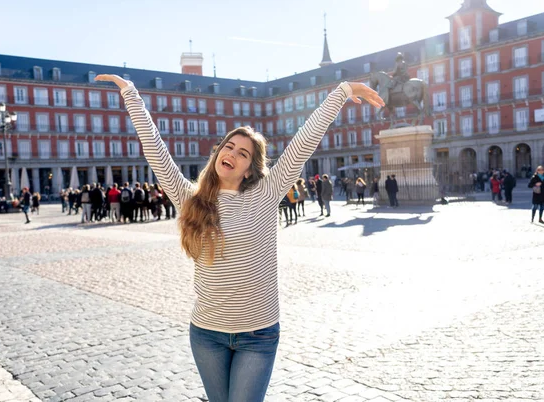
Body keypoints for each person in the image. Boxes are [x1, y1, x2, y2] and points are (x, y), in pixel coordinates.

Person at [96, 73, 383, 402]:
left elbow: (305, 141)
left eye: (243, 153)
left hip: (257, 334)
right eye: (228, 146)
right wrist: (131, 94)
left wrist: (342, 91)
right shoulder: (190, 198)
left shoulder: (266, 192)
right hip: (206, 333)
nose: (231, 152)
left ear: (250, 168)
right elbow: (156, 151)